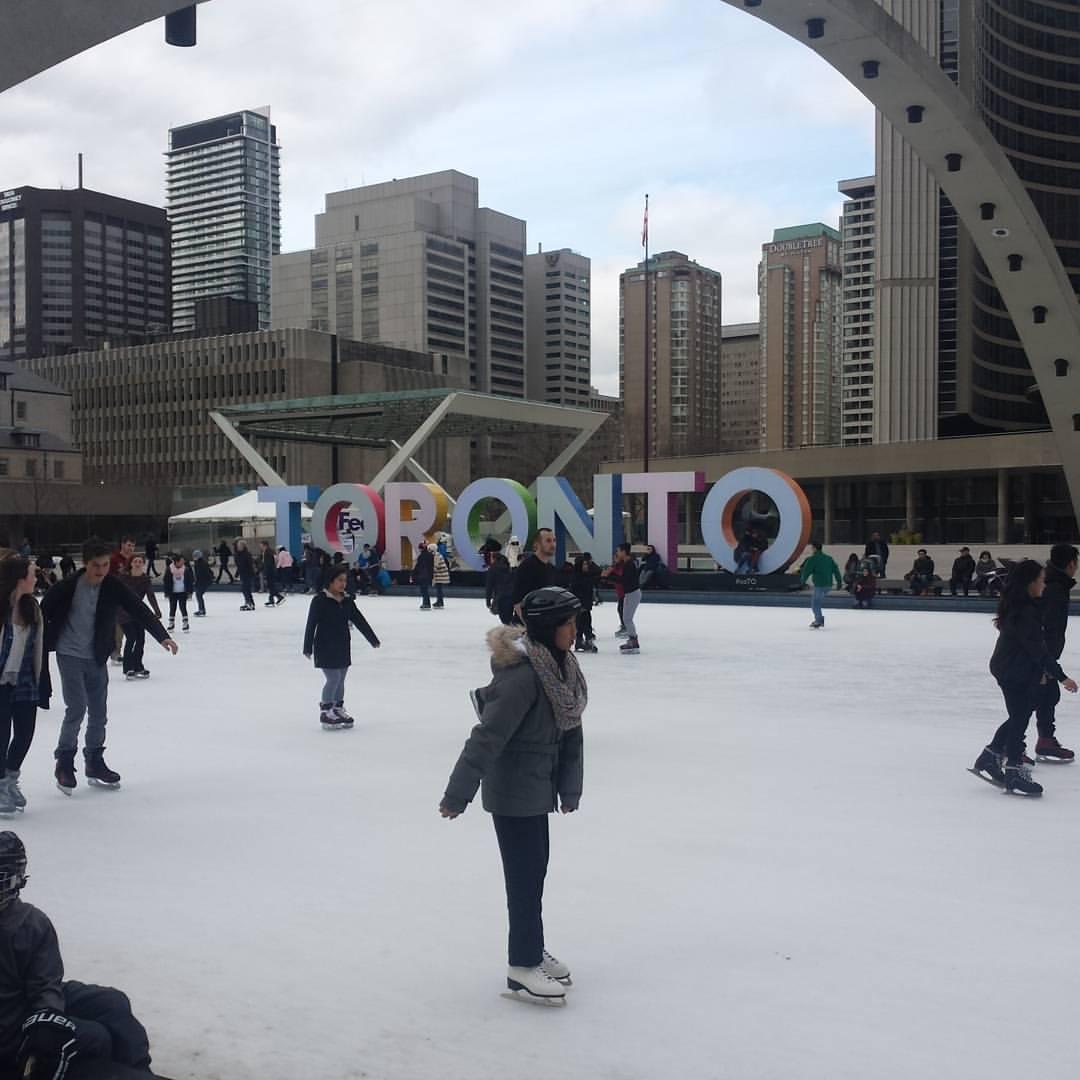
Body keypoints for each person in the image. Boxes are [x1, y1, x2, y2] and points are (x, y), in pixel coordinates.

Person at [439, 587, 585, 1005]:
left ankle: (532, 947)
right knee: (523, 879)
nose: (574, 631)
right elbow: (487, 737)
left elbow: (571, 733)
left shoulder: (562, 669)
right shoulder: (523, 678)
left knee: (534, 874)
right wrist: (458, 794)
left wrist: (569, 788)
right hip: (513, 789)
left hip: (537, 787)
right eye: (568, 623)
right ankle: (521, 966)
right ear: (547, 627)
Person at [0, 831, 156, 1077]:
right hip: (10, 1025)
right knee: (94, 1036)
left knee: (111, 1003)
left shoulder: (29, 922)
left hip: (26, 998)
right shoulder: (25, 923)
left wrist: (48, 1013)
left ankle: (136, 1070)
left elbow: (44, 983)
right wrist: (43, 1024)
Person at [41, 538, 178, 794]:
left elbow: (139, 609)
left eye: (105, 565)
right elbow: (41, 612)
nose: (101, 571)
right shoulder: (68, 586)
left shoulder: (113, 585)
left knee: (98, 712)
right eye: (96, 566)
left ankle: (94, 760)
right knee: (76, 708)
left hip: (96, 655)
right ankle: (65, 761)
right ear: (85, 563)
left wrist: (162, 636)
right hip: (68, 654)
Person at [970, 559, 1078, 796]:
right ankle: (1013, 770)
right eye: (1041, 580)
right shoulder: (1025, 611)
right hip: (1012, 670)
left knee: (1020, 713)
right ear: (1030, 583)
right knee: (1020, 716)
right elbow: (1037, 649)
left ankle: (991, 757)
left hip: (1014, 667)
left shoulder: (1025, 605)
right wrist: (1061, 677)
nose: (1044, 585)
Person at [302, 563, 381, 731]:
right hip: (324, 646)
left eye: (345, 580)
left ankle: (337, 708)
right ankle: (326, 710)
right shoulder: (319, 600)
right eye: (339, 580)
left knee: (341, 679)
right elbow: (311, 624)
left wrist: (372, 639)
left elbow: (359, 620)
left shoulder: (346, 600)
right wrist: (307, 647)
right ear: (330, 581)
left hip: (343, 645)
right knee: (333, 678)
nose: (343, 583)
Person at [0, 557, 47, 816]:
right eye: (32, 573)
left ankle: (9, 779)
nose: (36, 578)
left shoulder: (33, 608)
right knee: (1, 736)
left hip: (25, 680)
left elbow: (39, 647)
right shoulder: (1, 608)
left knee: (25, 734)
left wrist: (44, 682)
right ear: (20, 577)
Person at [1034, 543, 1079, 763]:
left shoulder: (1052, 583)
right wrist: (1047, 664)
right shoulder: (1054, 588)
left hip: (1041, 652)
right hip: (1038, 653)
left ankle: (1045, 740)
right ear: (1071, 563)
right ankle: (1007, 746)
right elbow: (1048, 627)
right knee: (1029, 700)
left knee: (1047, 696)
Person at [117, 555, 159, 680]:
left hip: (138, 613)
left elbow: (150, 595)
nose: (138, 563)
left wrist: (156, 610)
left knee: (140, 639)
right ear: (130, 564)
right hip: (123, 612)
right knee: (132, 638)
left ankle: (138, 666)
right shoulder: (123, 578)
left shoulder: (145, 579)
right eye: (135, 561)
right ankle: (128, 668)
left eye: (140, 561)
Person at [602, 544, 641, 654]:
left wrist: (608, 576)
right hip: (630, 594)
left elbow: (624, 580)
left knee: (627, 619)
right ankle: (632, 640)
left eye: (618, 551)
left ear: (624, 552)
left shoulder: (629, 564)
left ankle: (634, 641)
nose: (617, 553)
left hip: (633, 593)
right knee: (626, 618)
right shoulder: (626, 564)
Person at [511, 529, 555, 622]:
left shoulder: (551, 568)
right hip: (525, 627)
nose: (553, 544)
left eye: (554, 540)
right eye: (548, 541)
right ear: (537, 544)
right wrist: (529, 626)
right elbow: (517, 600)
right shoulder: (527, 566)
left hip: (544, 624)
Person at [799, 542, 843, 629]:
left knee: (815, 604)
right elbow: (836, 570)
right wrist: (839, 582)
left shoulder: (813, 559)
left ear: (814, 548)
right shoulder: (829, 558)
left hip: (819, 584)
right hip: (828, 585)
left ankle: (818, 620)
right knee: (817, 603)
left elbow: (806, 571)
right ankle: (820, 619)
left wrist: (802, 581)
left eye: (812, 548)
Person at [570, 554, 599, 652]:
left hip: (584, 605)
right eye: (584, 565)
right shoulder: (577, 578)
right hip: (581, 605)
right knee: (584, 622)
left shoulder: (585, 576)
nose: (587, 566)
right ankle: (586, 640)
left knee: (584, 622)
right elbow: (578, 592)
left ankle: (581, 641)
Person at [162, 555, 194, 634]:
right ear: (176, 562)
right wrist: (166, 592)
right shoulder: (169, 569)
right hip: (173, 592)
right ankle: (171, 623)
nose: (183, 562)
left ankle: (185, 623)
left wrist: (190, 592)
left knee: (183, 607)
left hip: (183, 592)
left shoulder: (186, 569)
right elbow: (166, 581)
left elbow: (190, 581)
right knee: (172, 608)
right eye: (181, 561)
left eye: (183, 561)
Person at [485, 554, 515, 626]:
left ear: (494, 559)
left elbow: (489, 586)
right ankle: (512, 631)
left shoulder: (493, 569)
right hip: (511, 595)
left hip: (501, 596)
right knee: (508, 617)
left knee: (504, 619)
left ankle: (511, 633)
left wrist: (488, 601)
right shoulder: (509, 568)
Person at [260, 541, 285, 607]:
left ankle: (279, 597)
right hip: (272, 571)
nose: (261, 547)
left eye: (261, 545)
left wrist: (265, 572)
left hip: (270, 571)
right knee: (271, 586)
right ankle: (272, 600)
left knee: (271, 586)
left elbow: (268, 563)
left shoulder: (267, 552)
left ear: (265, 545)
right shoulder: (270, 551)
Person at [412, 543, 434, 610]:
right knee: (425, 590)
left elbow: (418, 566)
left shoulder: (421, 556)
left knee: (423, 590)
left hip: (423, 575)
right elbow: (431, 566)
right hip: (428, 574)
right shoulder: (430, 555)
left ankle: (426, 603)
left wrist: (413, 574)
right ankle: (427, 603)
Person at [234, 540, 256, 611]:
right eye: (237, 546)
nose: (238, 547)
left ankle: (249, 603)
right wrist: (237, 574)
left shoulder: (247, 554)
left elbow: (249, 564)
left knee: (245, 589)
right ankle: (250, 603)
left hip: (248, 574)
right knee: (246, 589)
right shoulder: (238, 554)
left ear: (243, 546)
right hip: (243, 574)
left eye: (239, 546)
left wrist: (252, 572)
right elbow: (239, 565)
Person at [192, 550, 213, 617]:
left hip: (203, 581)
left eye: (195, 556)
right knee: (199, 595)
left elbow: (202, 573)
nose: (194, 557)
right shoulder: (198, 562)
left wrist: (197, 581)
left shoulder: (201, 563)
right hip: (202, 581)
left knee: (199, 595)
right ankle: (201, 609)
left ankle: (202, 610)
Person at [431, 544, 450, 609]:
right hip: (440, 574)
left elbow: (435, 566)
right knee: (439, 589)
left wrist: (431, 571)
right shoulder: (437, 555)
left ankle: (440, 602)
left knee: (439, 589)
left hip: (440, 575)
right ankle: (439, 601)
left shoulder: (436, 556)